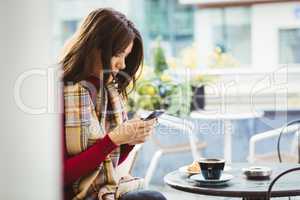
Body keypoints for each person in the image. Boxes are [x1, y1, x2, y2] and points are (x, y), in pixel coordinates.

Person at [61, 8, 167, 200]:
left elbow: (105, 167)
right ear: (94, 47)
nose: (123, 65)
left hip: (101, 192)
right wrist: (113, 140)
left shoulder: (108, 93)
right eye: (118, 54)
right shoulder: (62, 95)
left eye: (126, 56)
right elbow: (58, 176)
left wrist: (128, 142)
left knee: (152, 196)